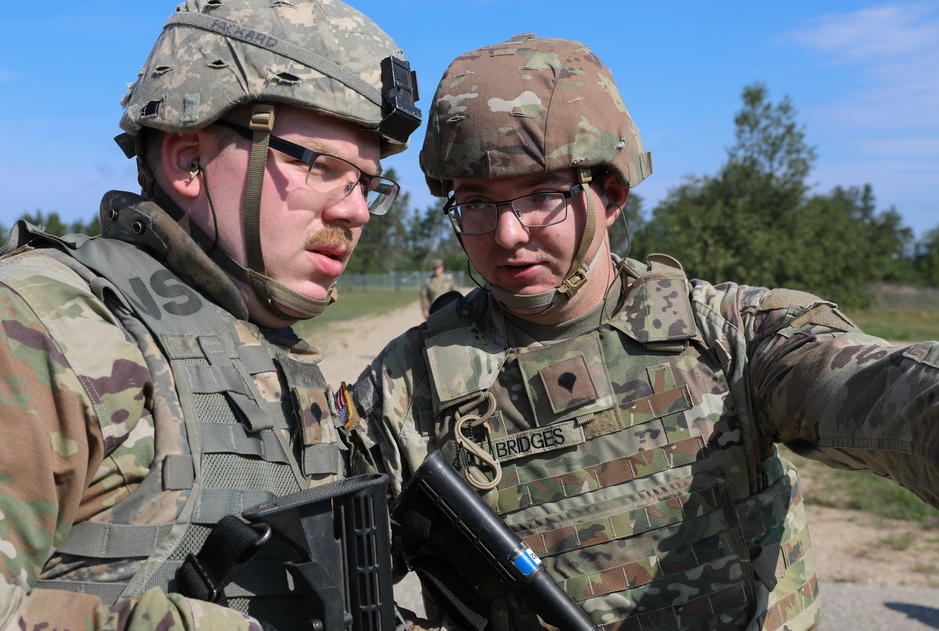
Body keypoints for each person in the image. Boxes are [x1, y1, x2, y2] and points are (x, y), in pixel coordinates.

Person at [341, 33, 939, 631]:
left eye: (542, 196)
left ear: (612, 195)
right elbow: (330, 589)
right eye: (476, 203)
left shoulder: (729, 336)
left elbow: (887, 393)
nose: (507, 236)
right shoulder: (407, 389)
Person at [0, 0, 420, 630]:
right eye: (321, 166)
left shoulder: (270, 348)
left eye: (367, 182)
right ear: (188, 159)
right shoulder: (29, 327)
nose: (355, 209)